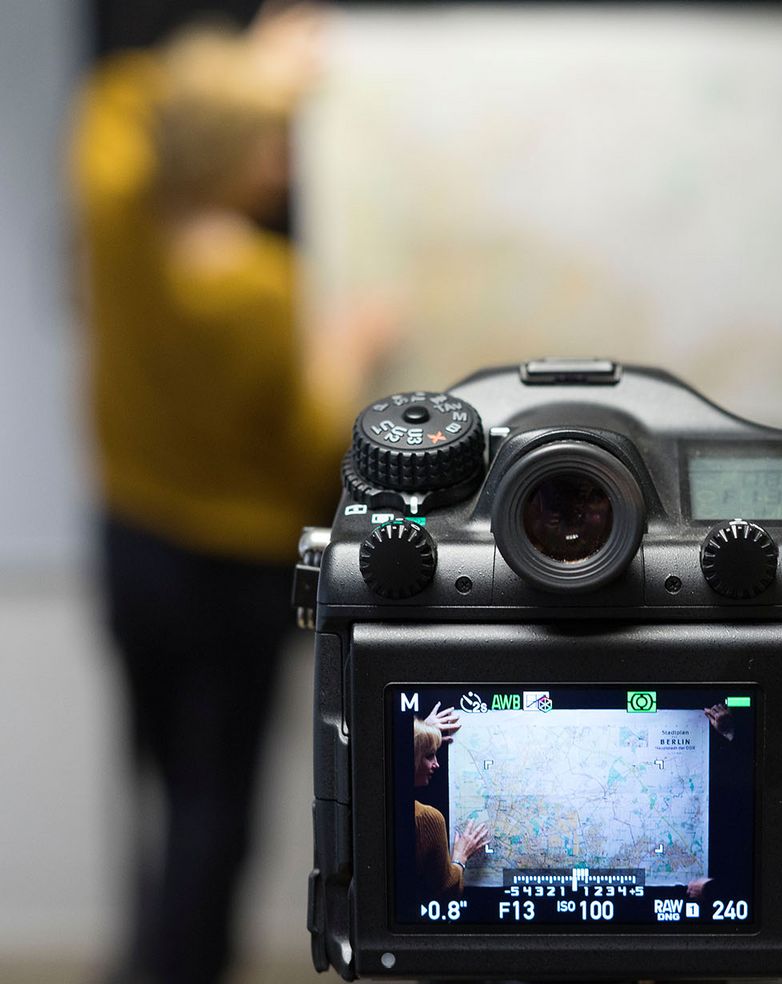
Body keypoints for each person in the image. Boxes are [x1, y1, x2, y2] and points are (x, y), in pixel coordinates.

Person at [70, 7, 401, 983]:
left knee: (161, 783)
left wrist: (252, 69)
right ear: (225, 158)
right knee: (217, 804)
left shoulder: (115, 210)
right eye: (268, 141)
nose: (284, 164)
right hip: (233, 579)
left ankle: (150, 960)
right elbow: (308, 454)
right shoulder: (261, 291)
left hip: (133, 545)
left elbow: (116, 97)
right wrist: (345, 359)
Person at [412, 718, 490, 900]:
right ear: (411, 757)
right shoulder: (427, 818)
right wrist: (460, 858)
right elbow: (446, 891)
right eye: (429, 755)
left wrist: (420, 731)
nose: (436, 764)